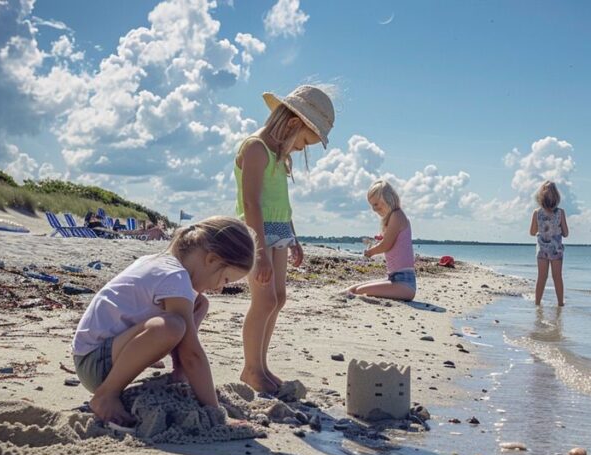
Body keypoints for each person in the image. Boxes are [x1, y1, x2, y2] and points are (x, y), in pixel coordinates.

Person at [70, 216, 255, 425]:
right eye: (225, 279)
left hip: (99, 354)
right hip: (94, 363)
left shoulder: (161, 262)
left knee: (199, 303)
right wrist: (214, 411)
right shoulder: (174, 277)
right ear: (211, 259)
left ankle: (179, 375)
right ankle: (106, 395)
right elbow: (192, 354)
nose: (220, 288)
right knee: (172, 326)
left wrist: (182, 368)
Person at [236, 85, 335, 394]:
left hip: (279, 231)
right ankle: (251, 369)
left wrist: (294, 238)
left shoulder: (279, 156)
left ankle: (261, 366)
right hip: (258, 232)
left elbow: (281, 201)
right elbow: (251, 202)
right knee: (263, 299)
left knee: (278, 298)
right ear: (293, 124)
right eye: (305, 141)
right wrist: (260, 250)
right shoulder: (255, 148)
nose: (302, 149)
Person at [346, 180, 416, 301]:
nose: (374, 209)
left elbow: (386, 245)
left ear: (388, 199)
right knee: (353, 288)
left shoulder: (397, 215)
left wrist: (371, 252)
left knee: (358, 291)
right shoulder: (392, 217)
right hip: (394, 279)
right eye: (372, 205)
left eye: (376, 204)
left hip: (405, 283)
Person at [529, 180, 569, 306]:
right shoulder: (560, 212)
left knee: (542, 277)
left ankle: (537, 303)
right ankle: (560, 304)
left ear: (541, 196)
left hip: (542, 249)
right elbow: (566, 233)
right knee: (557, 277)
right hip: (556, 249)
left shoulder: (537, 212)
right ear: (556, 196)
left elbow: (532, 232)